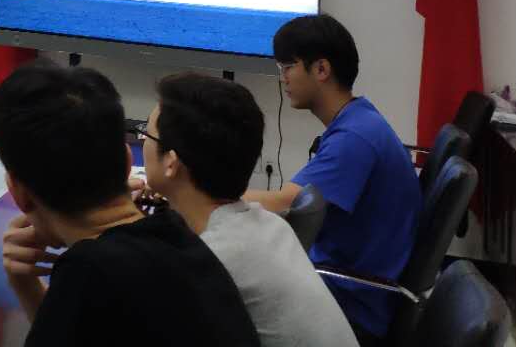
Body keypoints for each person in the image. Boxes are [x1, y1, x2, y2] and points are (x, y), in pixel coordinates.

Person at [0, 61, 259, 346]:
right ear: (128, 161)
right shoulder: (180, 238)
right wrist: (27, 285)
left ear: (17, 192)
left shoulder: (88, 274)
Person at [141, 71, 358, 347]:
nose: (142, 142)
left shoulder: (207, 263)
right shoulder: (269, 224)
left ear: (171, 163)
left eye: (146, 133)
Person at [243, 15, 420, 346]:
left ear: (321, 69)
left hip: (351, 306)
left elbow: (286, 204)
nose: (283, 78)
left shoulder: (353, 139)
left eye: (288, 67)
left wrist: (203, 192)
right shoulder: (360, 118)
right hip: (352, 285)